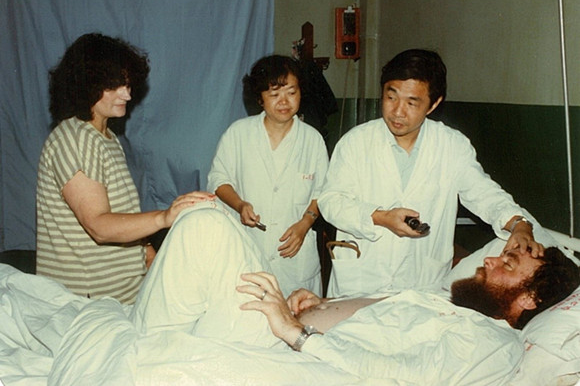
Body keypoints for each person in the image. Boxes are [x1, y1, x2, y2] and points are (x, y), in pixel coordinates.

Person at [131, 203, 579, 384]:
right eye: (501, 255)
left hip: (290, 354)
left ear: (529, 300)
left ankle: (133, 353)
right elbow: (376, 317)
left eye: (508, 265)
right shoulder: (446, 302)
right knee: (209, 221)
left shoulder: (491, 341)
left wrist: (297, 334)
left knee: (206, 223)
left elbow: (401, 376)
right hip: (287, 330)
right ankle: (140, 346)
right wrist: (318, 304)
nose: (490, 260)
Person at [317, 48, 544, 297]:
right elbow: (331, 201)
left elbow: (483, 193)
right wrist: (379, 217)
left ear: (433, 104)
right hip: (361, 280)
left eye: (411, 103)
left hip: (422, 282)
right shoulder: (356, 142)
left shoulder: (451, 145)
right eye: (391, 97)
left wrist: (518, 223)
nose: (398, 111)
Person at [36, 33, 214, 304]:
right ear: (86, 84)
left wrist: (145, 248)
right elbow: (99, 225)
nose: (127, 94)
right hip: (88, 301)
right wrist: (164, 217)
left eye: (128, 84)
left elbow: (118, 213)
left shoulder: (106, 138)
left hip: (120, 296)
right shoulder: (75, 138)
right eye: (115, 85)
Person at [207, 55, 329, 296]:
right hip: (248, 250)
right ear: (260, 98)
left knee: (299, 313)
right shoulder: (238, 133)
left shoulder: (312, 139)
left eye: (291, 92)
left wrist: (305, 224)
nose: (284, 101)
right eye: (274, 94)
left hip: (296, 261)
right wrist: (240, 205)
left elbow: (323, 192)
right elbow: (218, 180)